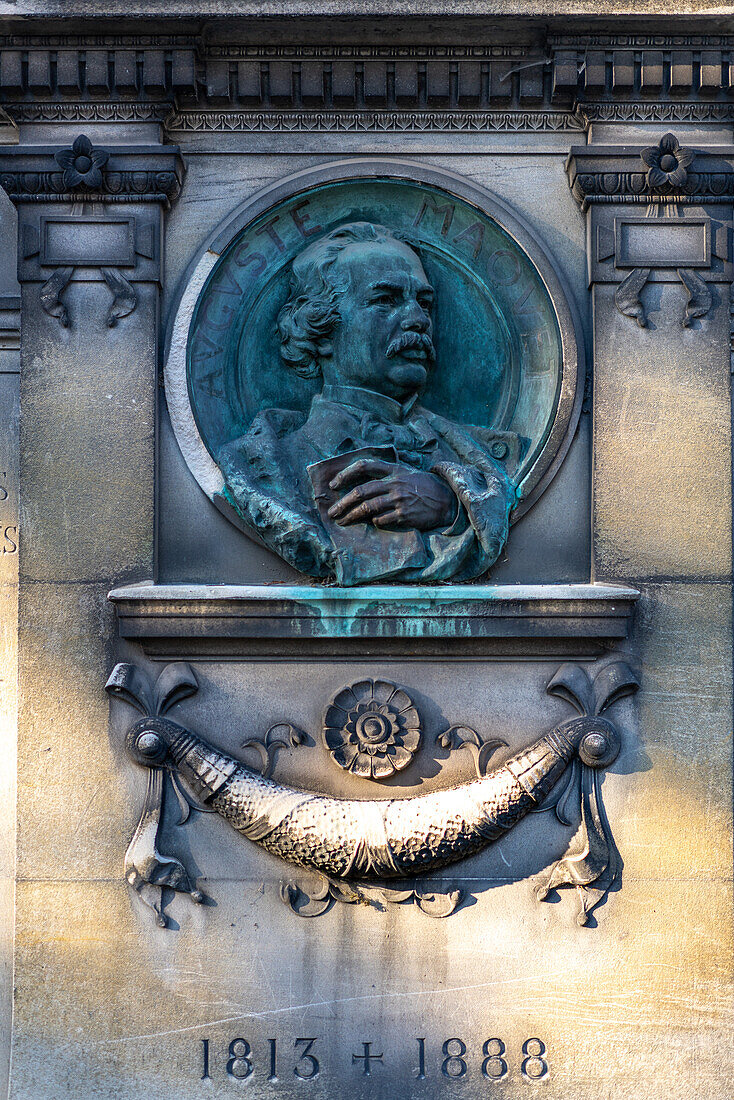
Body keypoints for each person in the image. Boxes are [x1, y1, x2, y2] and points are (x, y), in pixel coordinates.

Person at [217, 222, 524, 584]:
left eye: (424, 303)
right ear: (320, 331)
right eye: (385, 300)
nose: (418, 319)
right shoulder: (263, 463)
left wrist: (451, 507)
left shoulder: (482, 462)